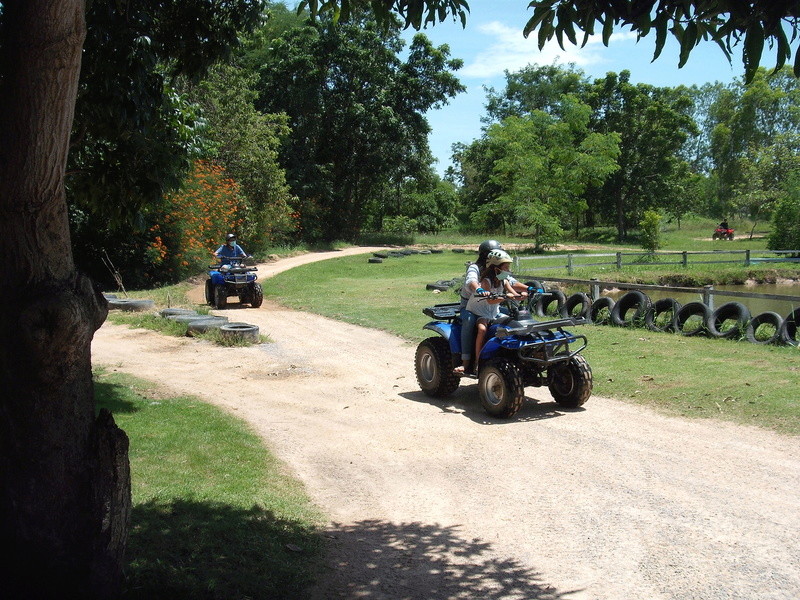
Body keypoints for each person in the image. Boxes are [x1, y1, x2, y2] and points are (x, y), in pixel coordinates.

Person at [461, 249, 522, 371]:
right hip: (479, 311)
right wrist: (504, 297)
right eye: (506, 268)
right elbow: (489, 300)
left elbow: (514, 293)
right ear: (496, 268)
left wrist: (524, 294)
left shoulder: (503, 280)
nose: (508, 271)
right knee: (482, 329)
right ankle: (477, 361)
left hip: (493, 312)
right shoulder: (485, 281)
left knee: (514, 324)